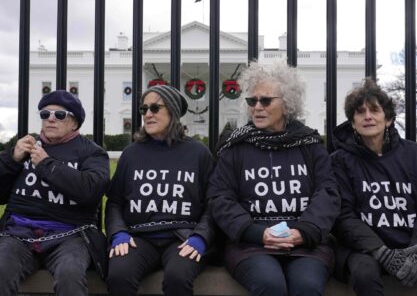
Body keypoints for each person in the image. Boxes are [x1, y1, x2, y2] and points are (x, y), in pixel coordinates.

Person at [207, 61, 341, 296]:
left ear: (287, 105)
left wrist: (304, 231)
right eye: (252, 101)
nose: (257, 107)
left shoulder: (309, 144)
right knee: (269, 285)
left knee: (307, 286)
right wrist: (257, 233)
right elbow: (220, 197)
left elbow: (328, 192)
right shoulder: (235, 147)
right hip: (251, 245)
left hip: (306, 244)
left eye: (266, 100)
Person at [105, 85, 215, 296]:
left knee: (178, 277)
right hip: (139, 237)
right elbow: (114, 203)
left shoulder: (198, 153)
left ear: (172, 111)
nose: (147, 114)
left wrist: (201, 237)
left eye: (155, 108)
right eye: (144, 109)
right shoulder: (131, 154)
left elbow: (213, 203)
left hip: (182, 236)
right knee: (119, 274)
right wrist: (118, 232)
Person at [0, 90, 110, 296]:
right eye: (45, 114)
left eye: (59, 115)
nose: (50, 119)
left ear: (75, 123)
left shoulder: (91, 152)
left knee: (70, 274)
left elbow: (90, 191)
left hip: (71, 234)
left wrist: (46, 164)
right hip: (18, 232)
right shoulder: (25, 146)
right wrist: (11, 159)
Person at [331, 77, 417, 295]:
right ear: (353, 122)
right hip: (364, 249)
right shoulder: (339, 161)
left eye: (374, 110)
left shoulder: (414, 155)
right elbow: (343, 215)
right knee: (364, 272)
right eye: (360, 112)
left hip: (411, 244)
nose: (368, 116)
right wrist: (380, 251)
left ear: (388, 119)